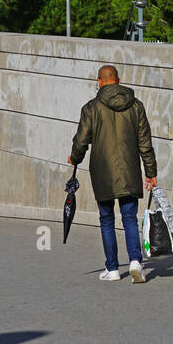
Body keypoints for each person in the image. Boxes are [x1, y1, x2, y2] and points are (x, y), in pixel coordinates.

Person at [68, 64, 157, 283]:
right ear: (118, 80)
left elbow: (81, 141)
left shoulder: (91, 108)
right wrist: (151, 172)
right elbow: (145, 142)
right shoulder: (136, 106)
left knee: (106, 219)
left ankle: (113, 269)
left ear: (99, 82)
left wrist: (74, 158)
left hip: (103, 171)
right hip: (129, 170)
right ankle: (136, 261)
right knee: (129, 218)